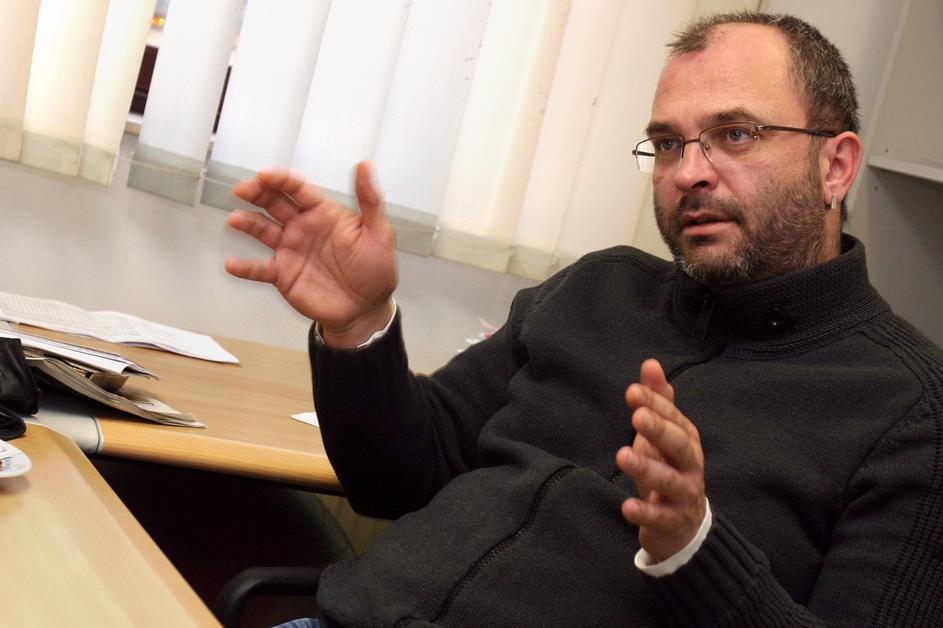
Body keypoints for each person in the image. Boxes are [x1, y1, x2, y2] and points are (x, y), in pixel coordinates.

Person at [225, 11, 943, 627]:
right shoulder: (600, 286)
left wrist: (694, 549)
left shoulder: (912, 412)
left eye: (734, 134)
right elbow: (397, 478)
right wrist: (359, 327)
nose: (688, 172)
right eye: (668, 143)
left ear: (835, 166)